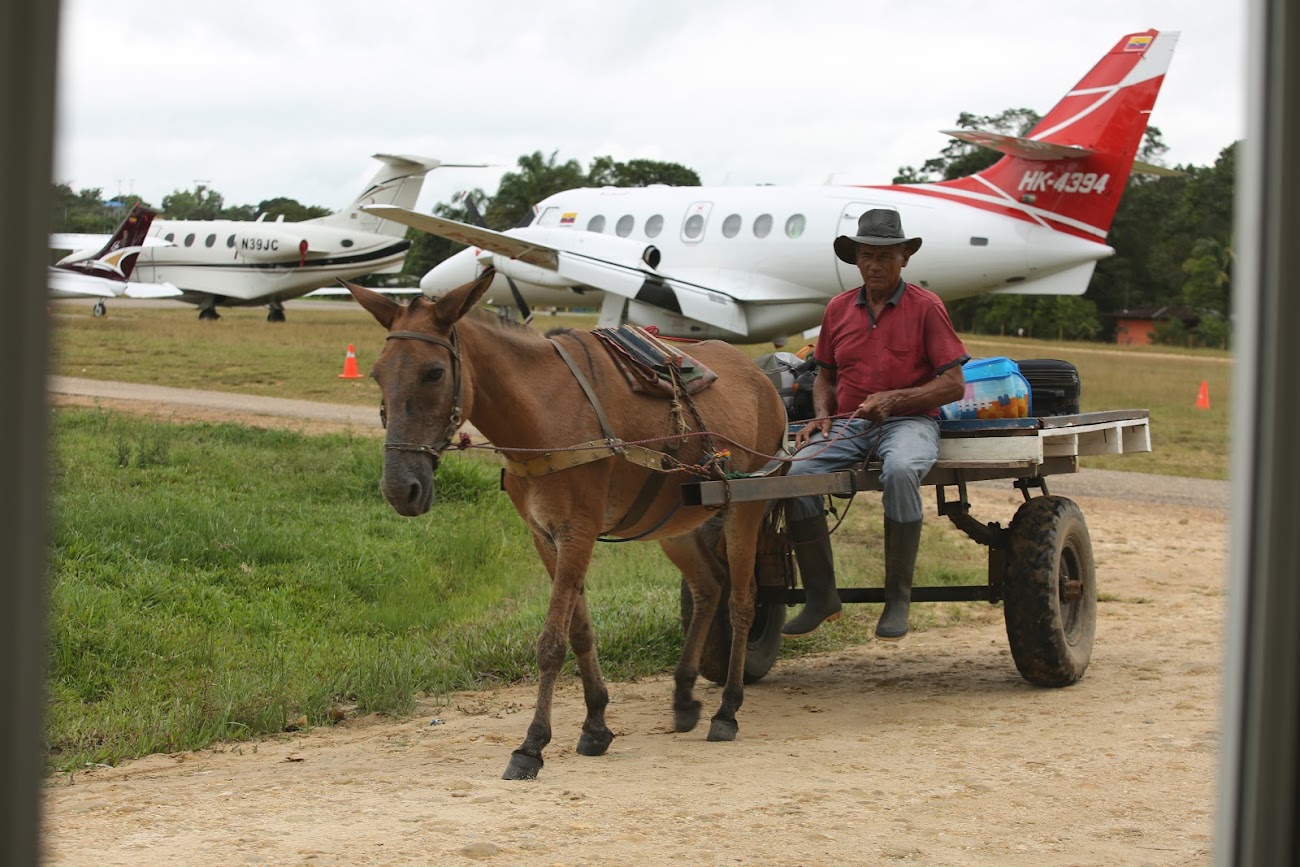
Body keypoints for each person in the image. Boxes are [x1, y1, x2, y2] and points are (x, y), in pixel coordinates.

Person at [781, 209, 969, 640]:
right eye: (867, 255)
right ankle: (821, 596)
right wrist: (823, 414)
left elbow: (954, 385)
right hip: (849, 423)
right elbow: (823, 374)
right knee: (795, 474)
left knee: (901, 470)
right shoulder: (838, 308)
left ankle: (897, 598)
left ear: (904, 258)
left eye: (886, 256)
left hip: (910, 422)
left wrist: (896, 399)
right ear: (857, 260)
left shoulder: (926, 307)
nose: (875, 265)